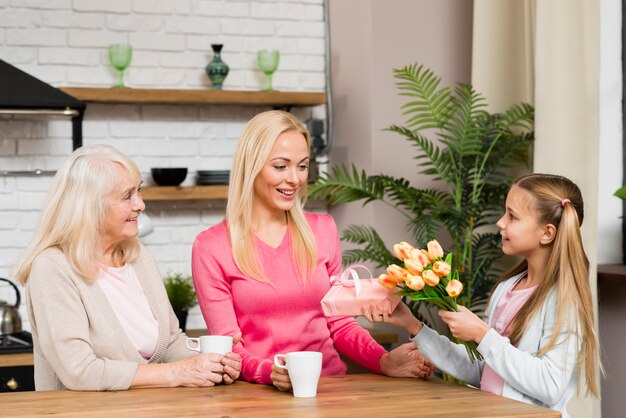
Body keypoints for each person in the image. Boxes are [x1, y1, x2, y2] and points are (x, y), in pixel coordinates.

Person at [192, 110, 434, 392]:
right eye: (280, 166)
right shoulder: (211, 247)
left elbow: (339, 324)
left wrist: (384, 361)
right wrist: (271, 372)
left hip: (328, 389)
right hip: (255, 396)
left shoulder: (323, 230)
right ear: (252, 166)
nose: (294, 179)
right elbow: (228, 347)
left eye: (302, 166)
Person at [365, 173, 601, 418]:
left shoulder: (563, 300)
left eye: (512, 216)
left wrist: (482, 334)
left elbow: (551, 386)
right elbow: (483, 370)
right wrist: (412, 324)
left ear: (547, 233)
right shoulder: (506, 289)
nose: (501, 222)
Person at [13, 144, 241, 391]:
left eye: (139, 191)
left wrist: (212, 359)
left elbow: (172, 343)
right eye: (127, 196)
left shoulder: (138, 255)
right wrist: (176, 373)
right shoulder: (52, 268)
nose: (141, 205)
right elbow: (80, 371)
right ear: (89, 206)